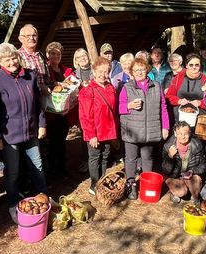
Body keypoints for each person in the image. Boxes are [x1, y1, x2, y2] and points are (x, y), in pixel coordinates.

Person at [0, 43, 47, 223]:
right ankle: (13, 203)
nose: (12, 62)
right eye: (7, 60)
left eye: (14, 57)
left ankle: (42, 199)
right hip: (9, 136)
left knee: (38, 167)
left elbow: (38, 103)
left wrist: (42, 124)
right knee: (12, 172)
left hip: (30, 131)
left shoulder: (29, 75)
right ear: (0, 62)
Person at [119, 58, 170, 199]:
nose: (140, 72)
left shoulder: (156, 86)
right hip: (132, 130)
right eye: (136, 70)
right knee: (130, 159)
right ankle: (131, 185)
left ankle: (145, 184)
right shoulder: (126, 87)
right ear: (132, 73)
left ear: (147, 70)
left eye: (142, 69)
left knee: (148, 158)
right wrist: (129, 106)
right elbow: (120, 108)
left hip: (151, 130)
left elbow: (163, 107)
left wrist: (165, 126)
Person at [78, 57, 118, 195]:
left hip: (108, 130)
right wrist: (91, 135)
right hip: (95, 131)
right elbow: (85, 115)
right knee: (95, 157)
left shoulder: (110, 87)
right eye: (100, 71)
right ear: (94, 71)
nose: (103, 75)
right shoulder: (88, 90)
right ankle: (94, 184)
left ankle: (102, 180)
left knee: (105, 156)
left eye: (106, 72)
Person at [45, 41, 75, 179]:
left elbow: (73, 86)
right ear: (47, 55)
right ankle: (51, 170)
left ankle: (61, 169)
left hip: (63, 113)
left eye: (58, 54)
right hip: (50, 114)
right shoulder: (45, 70)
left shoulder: (66, 72)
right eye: (52, 53)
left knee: (62, 142)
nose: (55, 56)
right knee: (51, 143)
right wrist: (56, 84)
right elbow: (43, 84)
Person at [161, 121, 205, 204]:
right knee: (181, 192)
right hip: (174, 176)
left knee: (197, 181)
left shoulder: (197, 145)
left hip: (190, 175)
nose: (183, 136)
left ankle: (194, 194)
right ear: (175, 133)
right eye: (180, 134)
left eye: (185, 133)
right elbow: (166, 170)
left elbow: (202, 166)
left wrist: (192, 171)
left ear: (190, 133)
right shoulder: (168, 146)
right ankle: (174, 192)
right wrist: (170, 156)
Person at [166, 53, 206, 121]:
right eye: (191, 65)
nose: (194, 67)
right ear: (186, 65)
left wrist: (200, 103)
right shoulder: (178, 78)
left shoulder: (205, 79)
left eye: (197, 65)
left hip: (199, 119)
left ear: (200, 66)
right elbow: (168, 96)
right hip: (180, 118)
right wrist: (179, 100)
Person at [17, 24, 49, 95]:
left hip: (44, 99)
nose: (31, 38)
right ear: (20, 39)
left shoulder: (40, 55)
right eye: (28, 36)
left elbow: (46, 79)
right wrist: (40, 87)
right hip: (28, 99)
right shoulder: (17, 56)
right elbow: (17, 82)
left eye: (34, 35)